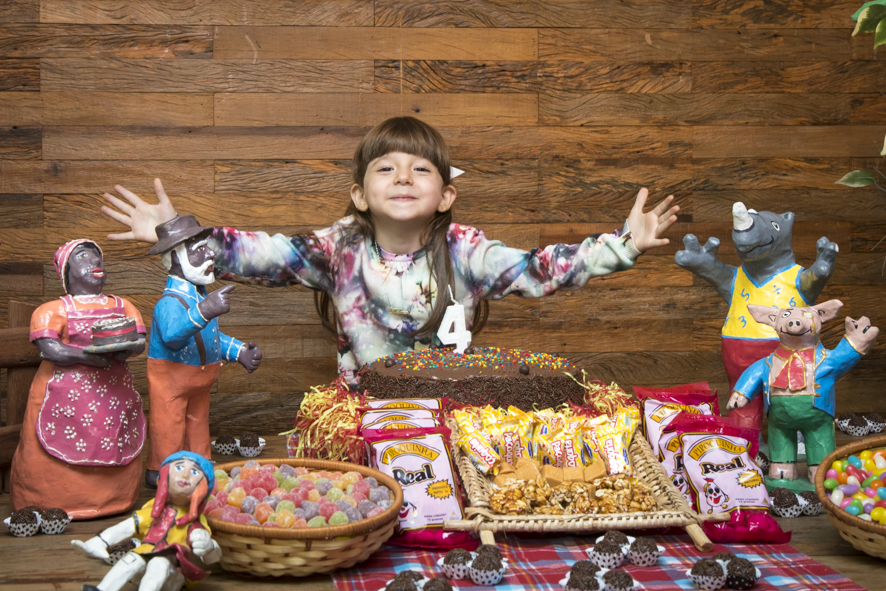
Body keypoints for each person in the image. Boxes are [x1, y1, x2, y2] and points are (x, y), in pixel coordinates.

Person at [100, 117, 679, 382]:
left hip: (449, 404)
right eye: (387, 168)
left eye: (421, 168)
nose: (404, 177)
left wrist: (622, 246)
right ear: (360, 192)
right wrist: (175, 233)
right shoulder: (338, 248)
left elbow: (541, 269)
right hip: (363, 409)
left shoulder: (468, 251)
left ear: (446, 193)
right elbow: (262, 252)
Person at [10, 239, 146, 519]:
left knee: (114, 439)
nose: (94, 263)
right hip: (63, 395)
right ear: (66, 271)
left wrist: (125, 348)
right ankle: (50, 499)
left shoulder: (123, 306)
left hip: (113, 396)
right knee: (53, 445)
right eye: (83, 257)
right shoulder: (51, 310)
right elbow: (51, 349)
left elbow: (138, 341)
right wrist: (90, 356)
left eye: (97, 257)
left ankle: (115, 496)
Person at [145, 215, 262, 487]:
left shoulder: (199, 297)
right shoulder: (169, 302)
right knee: (168, 427)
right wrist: (205, 310)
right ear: (175, 258)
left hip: (199, 381)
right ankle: (164, 470)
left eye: (207, 247)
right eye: (199, 250)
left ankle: (199, 464)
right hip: (170, 383)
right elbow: (173, 335)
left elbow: (209, 336)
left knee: (198, 425)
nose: (210, 254)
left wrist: (239, 351)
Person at [72, 451, 222, 591]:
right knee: (131, 558)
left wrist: (209, 547)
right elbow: (128, 526)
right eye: (179, 467)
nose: (184, 474)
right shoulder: (152, 512)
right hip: (144, 564)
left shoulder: (195, 522)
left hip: (173, 575)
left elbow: (211, 558)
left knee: (159, 564)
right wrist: (101, 541)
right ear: (161, 479)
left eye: (194, 472)